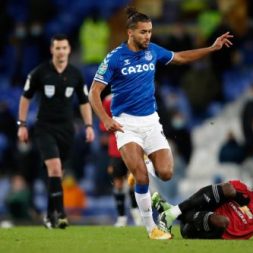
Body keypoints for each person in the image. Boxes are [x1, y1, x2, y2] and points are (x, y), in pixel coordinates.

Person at [88, 6, 233, 240]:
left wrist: (212, 48)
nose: (148, 36)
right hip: (126, 125)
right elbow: (94, 92)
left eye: (150, 31)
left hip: (151, 123)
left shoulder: (152, 51)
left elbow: (181, 57)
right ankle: (151, 228)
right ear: (130, 33)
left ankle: (144, 164)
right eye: (143, 32)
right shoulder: (114, 58)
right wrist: (105, 119)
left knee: (166, 173)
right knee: (142, 176)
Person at [17, 34, 95, 229]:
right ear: (52, 50)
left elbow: (84, 102)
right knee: (54, 168)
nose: (61, 51)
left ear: (69, 50)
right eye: (57, 48)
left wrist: (88, 126)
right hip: (44, 128)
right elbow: (25, 98)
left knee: (57, 174)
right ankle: (60, 214)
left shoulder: (76, 74)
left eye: (64, 48)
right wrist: (22, 124)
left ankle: (49, 216)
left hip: (66, 130)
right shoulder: (39, 73)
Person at [99, 94, 141, 227]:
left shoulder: (133, 95)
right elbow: (103, 122)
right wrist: (110, 126)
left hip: (132, 145)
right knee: (118, 183)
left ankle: (136, 214)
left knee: (132, 181)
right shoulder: (108, 100)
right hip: (115, 149)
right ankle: (121, 217)